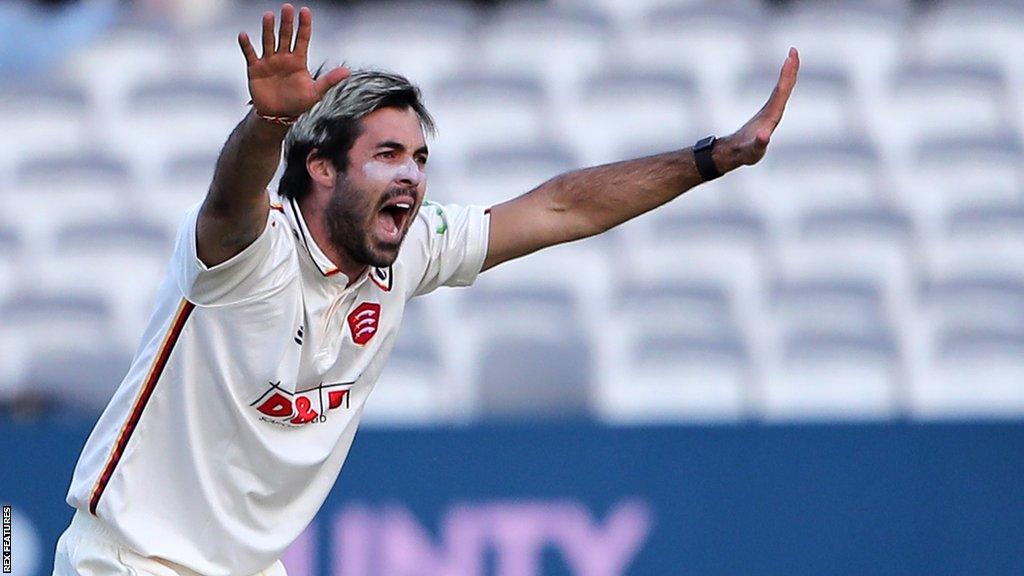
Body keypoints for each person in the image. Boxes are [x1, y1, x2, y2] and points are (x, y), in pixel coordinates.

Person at [52, 3, 800, 575]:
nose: (412, 174)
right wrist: (269, 123)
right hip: (133, 561)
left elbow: (561, 206)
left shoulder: (407, 251)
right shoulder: (248, 252)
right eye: (387, 154)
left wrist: (712, 159)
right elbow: (230, 196)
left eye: (419, 156)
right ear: (320, 167)